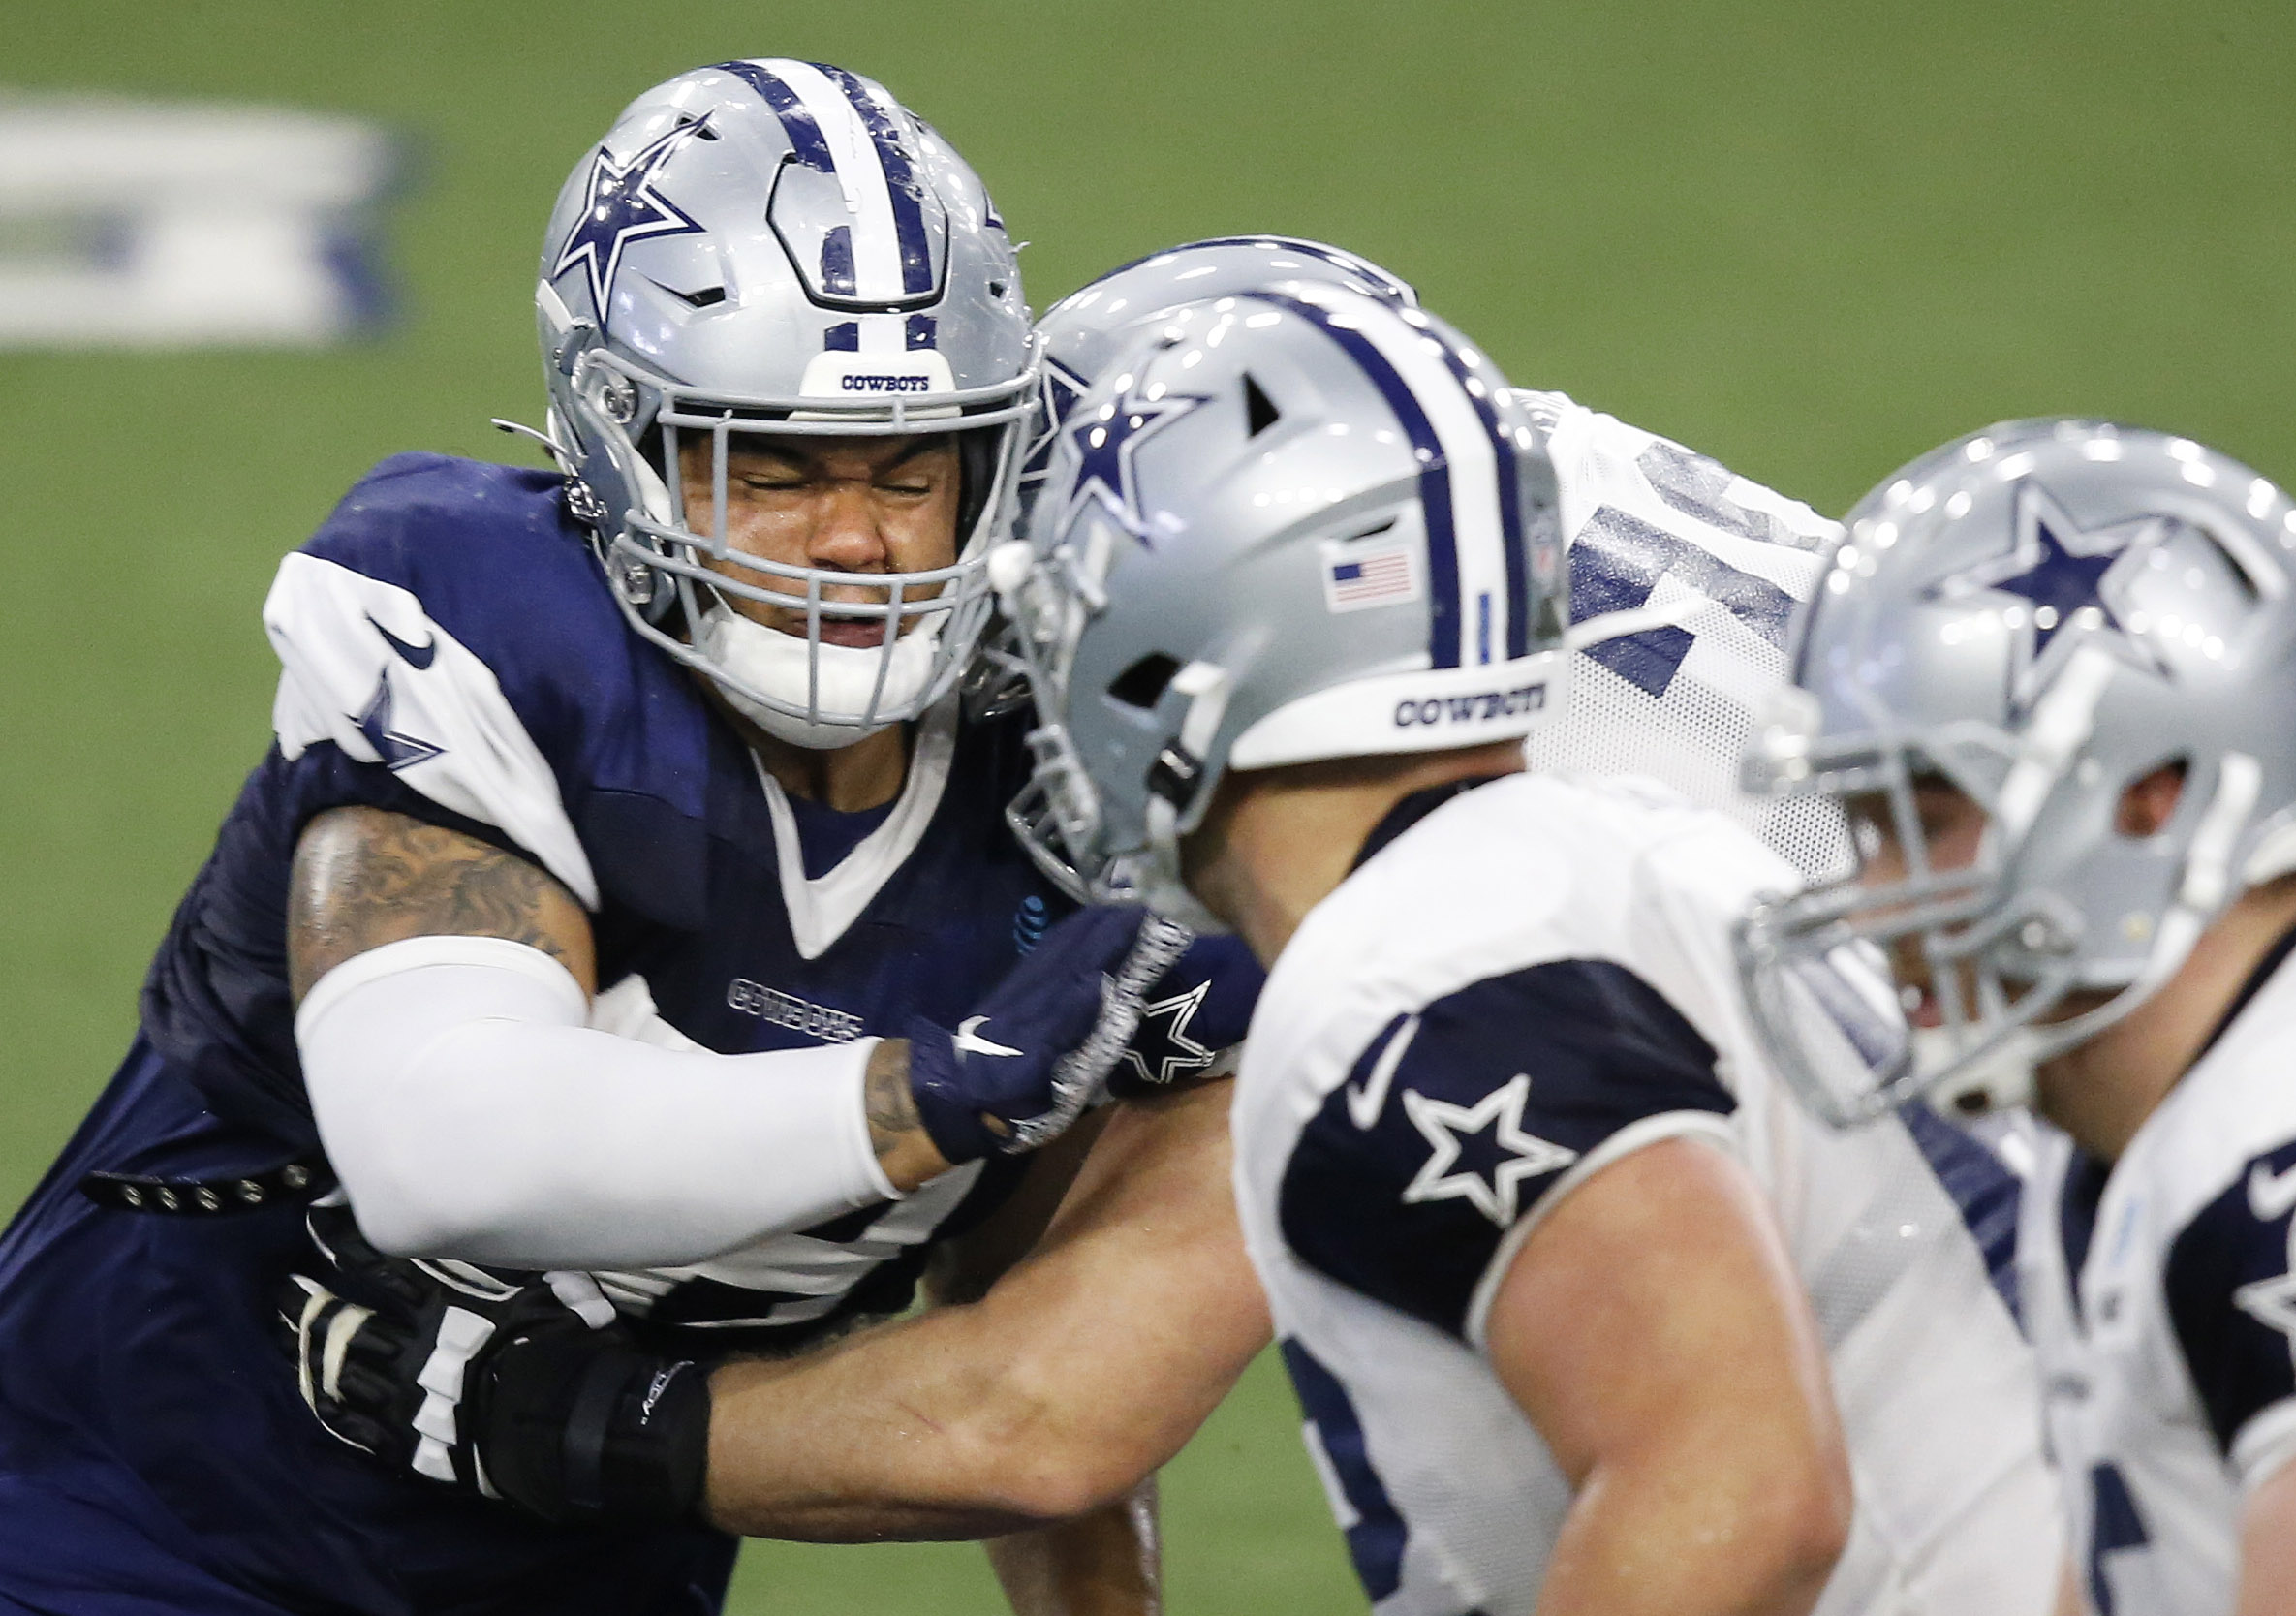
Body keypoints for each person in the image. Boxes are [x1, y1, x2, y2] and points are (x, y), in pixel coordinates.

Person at [290, 277, 2061, 1615]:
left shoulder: (1422, 958)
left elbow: (1736, 1484)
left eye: (1052, 610)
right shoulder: (1596, 843)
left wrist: (570, 1419)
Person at [0, 58, 1257, 1616]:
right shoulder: (483, 625)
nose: (854, 539)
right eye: (776, 467)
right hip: (131, 1539)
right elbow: (443, 1149)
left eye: (908, 466)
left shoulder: (1056, 788)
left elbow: (1019, 1340)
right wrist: (932, 1090)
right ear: (622, 446)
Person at [1737, 420, 2296, 1616]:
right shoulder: (2122, 1131)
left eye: (1929, 820)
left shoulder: (2265, 1163)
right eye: (1867, 828)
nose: (1881, 903)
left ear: (2154, 804)